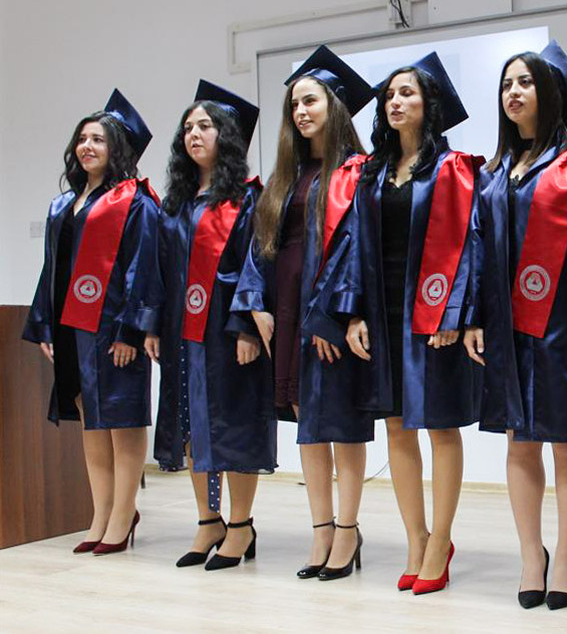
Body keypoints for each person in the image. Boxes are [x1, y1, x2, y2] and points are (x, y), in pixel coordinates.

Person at [466, 41, 567, 610]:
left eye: (525, 82)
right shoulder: (492, 175)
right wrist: (475, 319)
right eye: (506, 84)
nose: (513, 92)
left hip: (562, 324)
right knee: (519, 440)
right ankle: (532, 554)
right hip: (508, 327)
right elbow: (477, 253)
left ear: (548, 94)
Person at [329, 52, 481, 595]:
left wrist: (456, 313)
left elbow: (470, 246)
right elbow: (350, 248)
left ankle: (441, 539)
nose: (396, 102)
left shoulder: (453, 168)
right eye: (390, 95)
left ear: (429, 104)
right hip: (383, 312)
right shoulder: (369, 174)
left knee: (439, 424)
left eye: (408, 93)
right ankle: (415, 537)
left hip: (432, 311)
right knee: (396, 425)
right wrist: (351, 315)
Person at [231, 45, 375, 581]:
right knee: (309, 428)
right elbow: (258, 248)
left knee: (341, 425)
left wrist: (335, 314)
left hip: (329, 314)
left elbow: (358, 249)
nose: (301, 112)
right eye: (294, 104)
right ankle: (320, 530)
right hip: (287, 313)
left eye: (310, 100)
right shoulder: (284, 178)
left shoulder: (357, 172)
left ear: (333, 106)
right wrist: (254, 307)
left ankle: (348, 530)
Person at [144, 80, 276, 570]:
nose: (193, 134)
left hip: (226, 333)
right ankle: (208, 521)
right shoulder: (174, 204)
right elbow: (157, 269)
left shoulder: (246, 198)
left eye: (204, 126)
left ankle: (240, 525)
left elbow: (256, 266)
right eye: (187, 128)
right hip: (183, 334)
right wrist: (153, 325)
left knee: (234, 423)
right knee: (190, 423)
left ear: (226, 135)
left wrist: (245, 326)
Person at [24, 89, 158, 555]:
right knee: (91, 423)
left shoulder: (135, 202)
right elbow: (51, 270)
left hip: (113, 329)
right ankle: (100, 513)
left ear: (115, 148)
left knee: (122, 421)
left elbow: (145, 269)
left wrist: (131, 330)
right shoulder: (62, 206)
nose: (87, 146)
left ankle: (123, 515)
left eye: (98, 139)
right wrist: (45, 327)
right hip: (71, 330)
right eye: (82, 138)